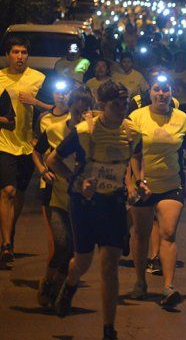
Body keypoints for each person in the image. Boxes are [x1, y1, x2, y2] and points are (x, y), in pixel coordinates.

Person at [47, 80, 147, 340]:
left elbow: (135, 157)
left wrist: (139, 181)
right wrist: (76, 181)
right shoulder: (84, 131)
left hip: (113, 203)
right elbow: (52, 160)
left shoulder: (132, 132)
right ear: (102, 105)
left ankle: (108, 329)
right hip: (84, 204)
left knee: (109, 266)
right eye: (116, 103)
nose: (122, 108)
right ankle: (69, 286)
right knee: (83, 261)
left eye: (125, 103)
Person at [128, 73, 186, 308]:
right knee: (141, 234)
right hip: (143, 186)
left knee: (168, 232)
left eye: (165, 90)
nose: (161, 94)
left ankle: (168, 286)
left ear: (171, 93)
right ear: (150, 93)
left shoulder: (182, 119)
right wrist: (135, 181)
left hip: (171, 184)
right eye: (156, 89)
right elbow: (131, 155)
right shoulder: (136, 117)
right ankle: (139, 282)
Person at [33, 86, 93, 307]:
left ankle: (57, 288)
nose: (79, 118)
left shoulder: (95, 135)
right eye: (76, 112)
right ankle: (47, 283)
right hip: (55, 195)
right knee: (61, 243)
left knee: (72, 250)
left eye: (84, 113)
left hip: (81, 200)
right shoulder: (54, 129)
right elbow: (37, 151)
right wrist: (42, 169)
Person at [0, 37, 48, 266]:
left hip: (27, 146)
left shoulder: (39, 79)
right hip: (3, 143)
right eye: (15, 52)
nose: (20, 56)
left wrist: (35, 102)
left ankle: (9, 231)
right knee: (7, 191)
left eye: (24, 52)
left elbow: (57, 108)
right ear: (7, 54)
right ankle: (6, 244)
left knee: (18, 196)